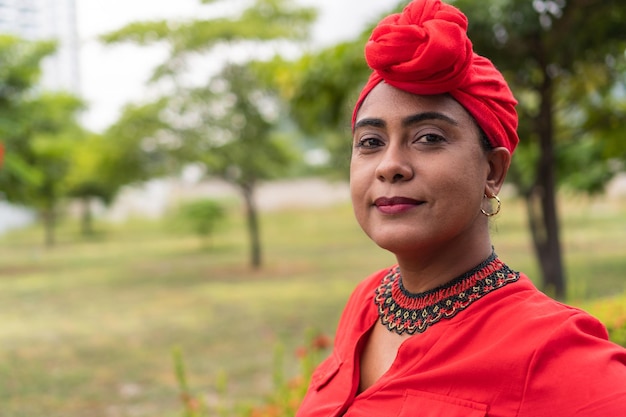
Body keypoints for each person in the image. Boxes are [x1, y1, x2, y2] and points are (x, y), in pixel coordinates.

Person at [295, 0, 626, 416]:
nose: (390, 165)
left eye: (429, 137)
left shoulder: (550, 351)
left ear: (492, 170)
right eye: (370, 142)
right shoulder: (367, 303)